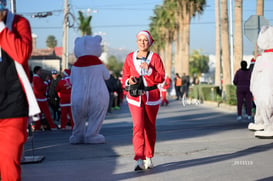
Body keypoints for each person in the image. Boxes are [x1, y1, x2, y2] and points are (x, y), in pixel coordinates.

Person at [0, 1, 40, 180]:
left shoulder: (19, 23)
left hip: (12, 106)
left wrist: (1, 29)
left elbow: (21, 53)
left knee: (9, 164)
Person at [122, 30, 165, 171]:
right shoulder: (129, 57)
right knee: (138, 127)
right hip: (135, 97)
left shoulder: (155, 58)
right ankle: (139, 158)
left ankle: (149, 157)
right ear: (136, 42)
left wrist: (150, 70)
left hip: (151, 96)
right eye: (140, 40)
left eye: (145, 40)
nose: (142, 42)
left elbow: (161, 77)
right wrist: (129, 80)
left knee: (150, 128)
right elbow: (125, 77)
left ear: (149, 42)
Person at [70, 35, 109, 144]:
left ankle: (77, 135)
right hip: (98, 94)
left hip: (78, 96)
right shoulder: (99, 64)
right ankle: (92, 135)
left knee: (78, 117)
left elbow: (72, 81)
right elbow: (107, 76)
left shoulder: (75, 66)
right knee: (96, 115)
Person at [249, 25, 273, 137]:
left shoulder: (262, 59)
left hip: (265, 91)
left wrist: (253, 88)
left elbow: (255, 76)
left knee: (264, 106)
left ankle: (267, 126)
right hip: (267, 90)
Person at [32, 66, 57, 131]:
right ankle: (52, 126)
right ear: (37, 71)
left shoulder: (35, 78)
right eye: (40, 71)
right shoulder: (36, 78)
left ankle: (37, 127)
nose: (41, 72)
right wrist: (46, 83)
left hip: (38, 98)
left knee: (39, 114)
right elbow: (40, 88)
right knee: (47, 113)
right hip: (41, 98)